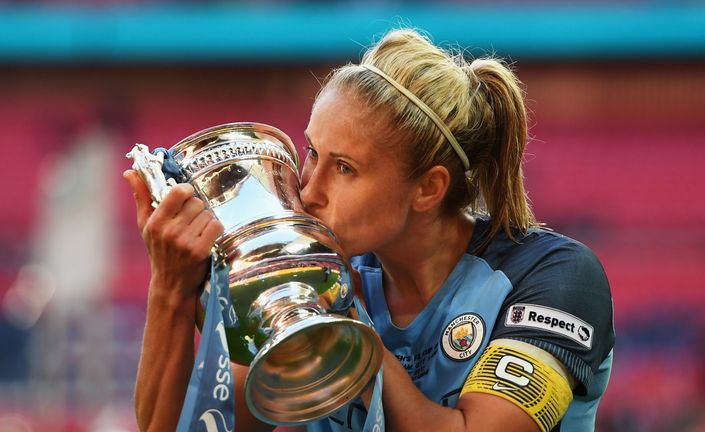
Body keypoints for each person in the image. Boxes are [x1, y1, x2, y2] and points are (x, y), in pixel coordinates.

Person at [125, 28, 614, 432]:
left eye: (344, 168)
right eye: (313, 153)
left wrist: (351, 341)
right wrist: (171, 288)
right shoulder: (314, 275)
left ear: (428, 189)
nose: (309, 190)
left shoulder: (554, 278)